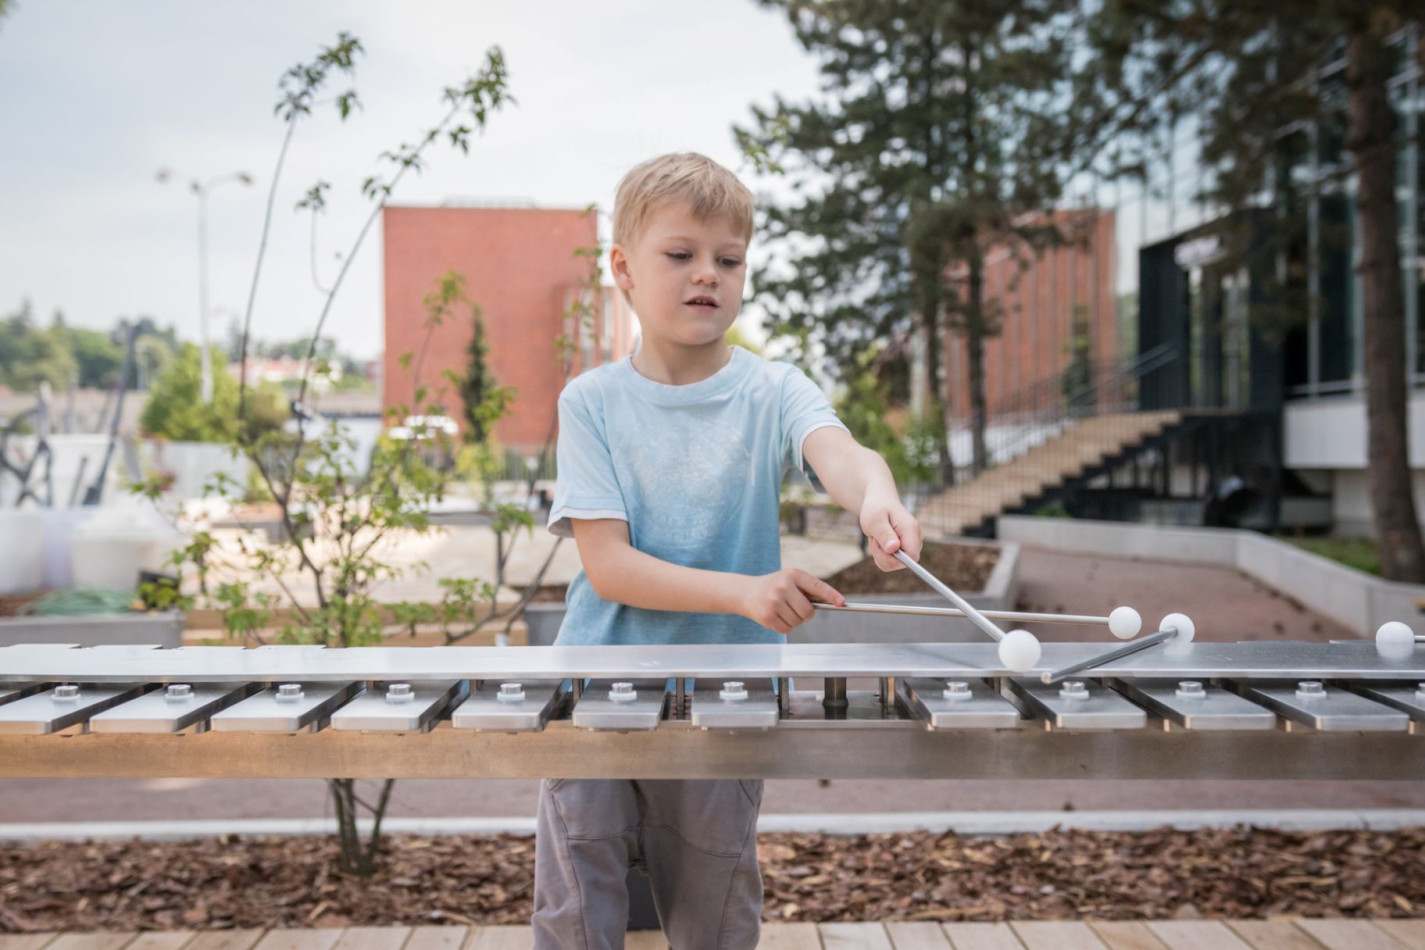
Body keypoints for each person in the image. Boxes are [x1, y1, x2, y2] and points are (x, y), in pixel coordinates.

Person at [533, 152, 923, 949]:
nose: (705, 274)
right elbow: (607, 566)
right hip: (595, 690)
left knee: (714, 914)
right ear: (624, 270)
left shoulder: (774, 388)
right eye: (679, 255)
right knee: (576, 914)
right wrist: (743, 592)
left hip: (728, 695)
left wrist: (877, 496)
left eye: (728, 259)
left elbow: (840, 453)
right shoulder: (591, 402)